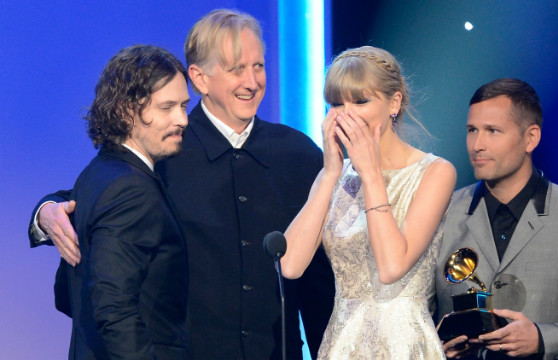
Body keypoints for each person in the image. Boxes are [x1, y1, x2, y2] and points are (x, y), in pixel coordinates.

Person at [27, 9, 334, 360]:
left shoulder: (300, 154)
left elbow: (319, 283)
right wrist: (46, 212)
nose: (252, 82)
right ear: (200, 79)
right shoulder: (165, 146)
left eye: (258, 66)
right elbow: (100, 193)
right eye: (236, 69)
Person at [427, 78, 558, 359]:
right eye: (472, 130)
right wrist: (432, 347)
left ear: (531, 138)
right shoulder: (442, 212)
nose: (477, 144)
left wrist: (541, 338)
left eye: (493, 131)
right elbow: (413, 313)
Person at [281, 46, 456, 359]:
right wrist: (332, 172)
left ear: (394, 102)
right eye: (336, 103)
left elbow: (391, 267)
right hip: (342, 340)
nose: (346, 114)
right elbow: (290, 265)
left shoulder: (435, 172)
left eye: (360, 101)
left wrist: (371, 175)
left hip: (404, 343)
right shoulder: (332, 176)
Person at [56, 45, 190, 359]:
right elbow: (114, 311)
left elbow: (67, 295)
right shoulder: (131, 189)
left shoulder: (95, 174)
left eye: (184, 106)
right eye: (167, 107)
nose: (182, 119)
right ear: (124, 111)